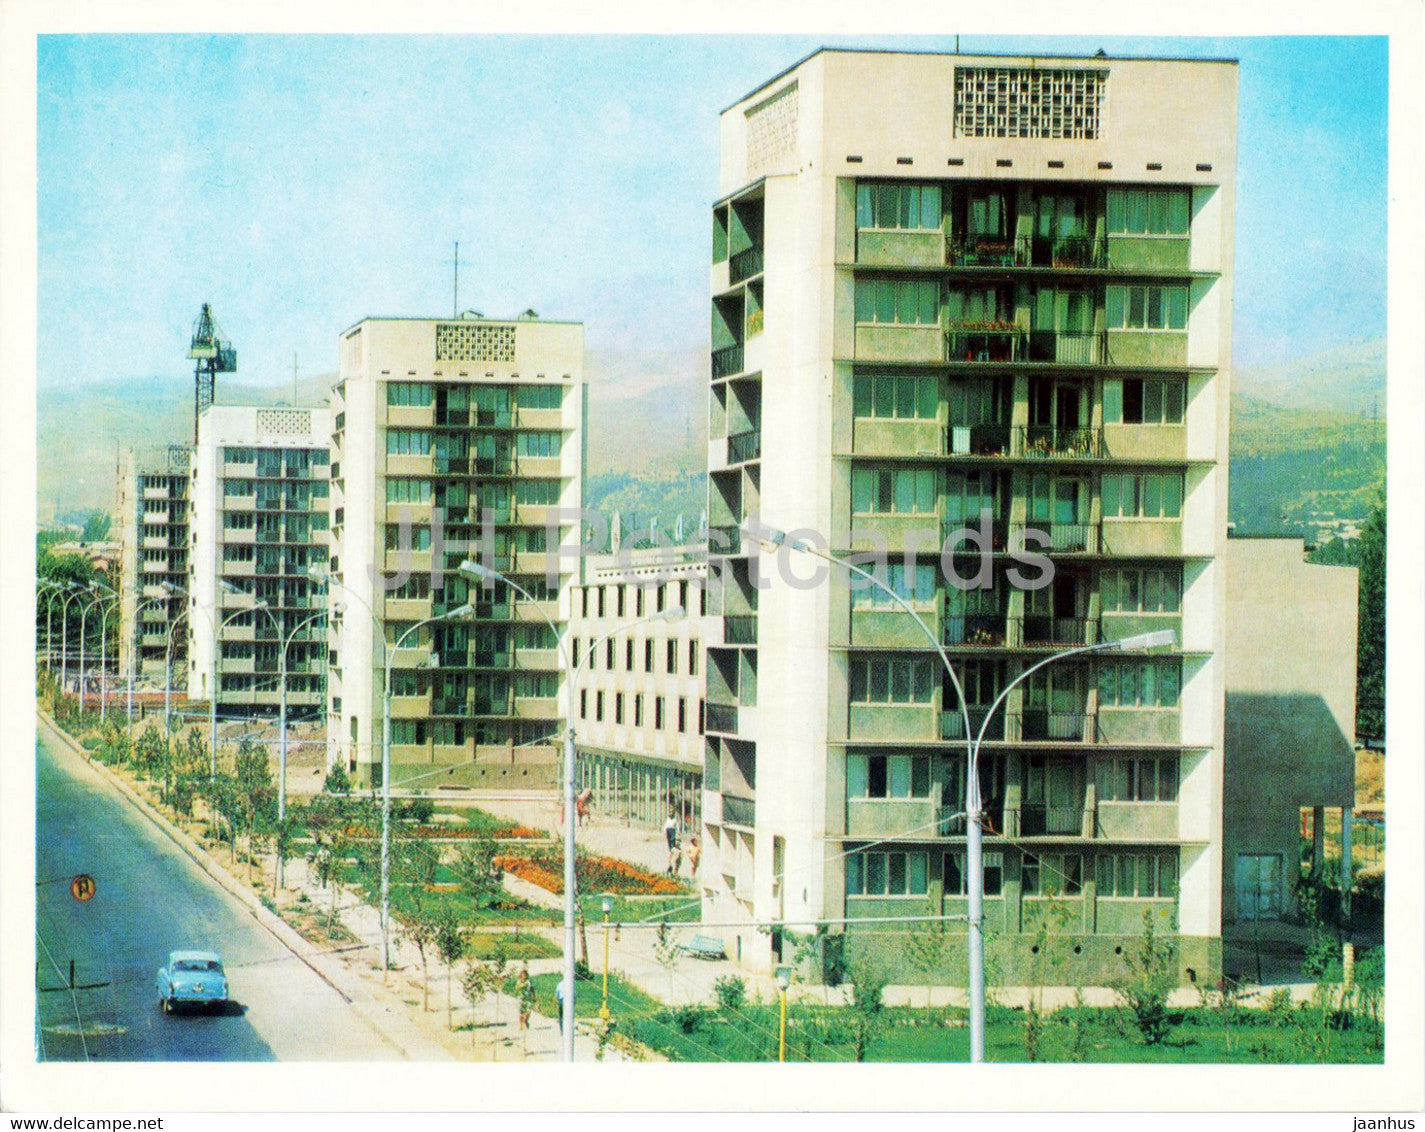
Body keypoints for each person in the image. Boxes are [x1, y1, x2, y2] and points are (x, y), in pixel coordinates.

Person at [516, 964, 533, 1031]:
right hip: (521, 999)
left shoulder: (528, 982)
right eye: (522, 974)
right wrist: (521, 985)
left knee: (528, 1011)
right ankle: (521, 1025)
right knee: (521, 1013)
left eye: (525, 975)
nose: (524, 976)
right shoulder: (518, 982)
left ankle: (526, 1020)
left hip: (528, 998)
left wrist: (534, 996)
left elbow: (531, 988)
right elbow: (517, 988)